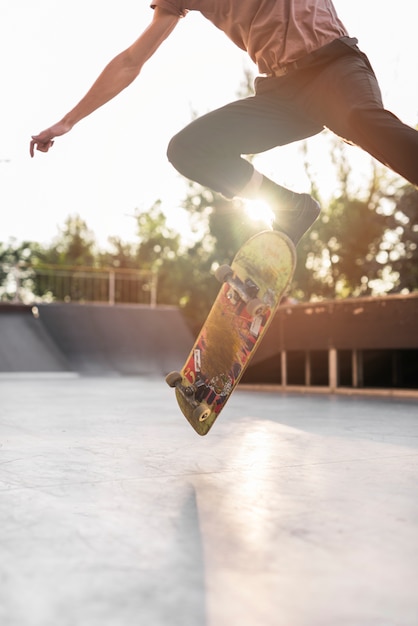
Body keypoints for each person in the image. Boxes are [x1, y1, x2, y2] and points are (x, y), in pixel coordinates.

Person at [30, 1, 418, 246]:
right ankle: (291, 208)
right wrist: (69, 121)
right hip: (282, 94)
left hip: (334, 67)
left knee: (361, 119)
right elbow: (133, 59)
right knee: (187, 148)